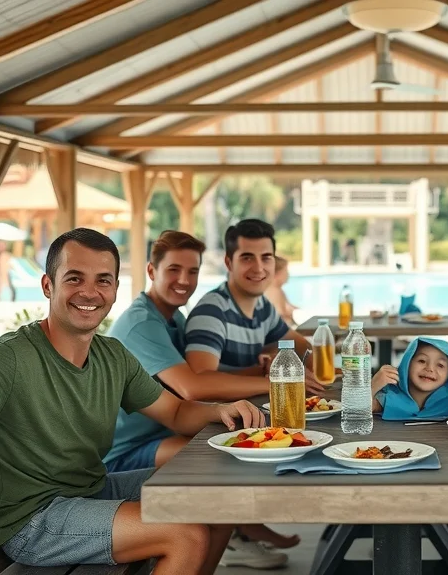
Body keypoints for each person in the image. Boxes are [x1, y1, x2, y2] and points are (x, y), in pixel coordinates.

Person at [0, 228, 265, 575]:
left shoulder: (112, 356)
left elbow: (176, 411)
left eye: (103, 280)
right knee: (184, 535)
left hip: (91, 492)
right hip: (34, 520)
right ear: (48, 285)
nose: (90, 292)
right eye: (74, 278)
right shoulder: (6, 359)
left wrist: (219, 410)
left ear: (114, 288)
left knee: (215, 494)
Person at [103, 230, 298, 568]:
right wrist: (271, 383)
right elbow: (192, 388)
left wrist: (259, 369)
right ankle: (241, 530)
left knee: (235, 455)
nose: (184, 280)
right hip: (123, 452)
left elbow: (196, 380)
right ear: (151, 271)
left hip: (162, 433)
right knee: (225, 465)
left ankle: (238, 532)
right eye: (174, 270)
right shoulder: (141, 323)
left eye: (192, 272)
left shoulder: (173, 317)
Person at [185, 219, 318, 381]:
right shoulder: (212, 311)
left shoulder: (263, 307)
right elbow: (202, 380)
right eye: (247, 258)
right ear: (229, 263)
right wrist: (267, 373)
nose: (258, 268)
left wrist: (317, 376)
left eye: (266, 257)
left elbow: (302, 347)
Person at [371, 337, 448, 420]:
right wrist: (373, 385)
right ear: (407, 364)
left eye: (440, 365)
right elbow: (359, 410)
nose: (430, 369)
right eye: (422, 361)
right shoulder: (388, 395)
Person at [264, 255, 298, 327]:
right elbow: (279, 315)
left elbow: (290, 307)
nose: (288, 274)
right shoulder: (274, 291)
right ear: (276, 274)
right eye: (286, 271)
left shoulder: (278, 290)